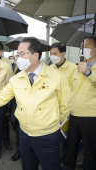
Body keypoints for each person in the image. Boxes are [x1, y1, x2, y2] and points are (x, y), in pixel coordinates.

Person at [0, 37, 71, 170]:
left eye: (22, 54)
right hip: (25, 133)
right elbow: (2, 97)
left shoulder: (56, 76)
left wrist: (52, 122)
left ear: (35, 55)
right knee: (28, 166)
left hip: (47, 135)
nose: (18, 58)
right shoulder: (17, 78)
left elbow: (65, 105)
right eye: (18, 54)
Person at [63, 36, 96, 170]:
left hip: (91, 115)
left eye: (87, 46)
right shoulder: (78, 67)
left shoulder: (87, 69)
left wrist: (89, 72)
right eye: (81, 47)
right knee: (71, 146)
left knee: (90, 149)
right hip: (74, 113)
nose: (83, 49)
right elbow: (72, 91)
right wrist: (68, 111)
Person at [49, 42, 77, 164]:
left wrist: (70, 110)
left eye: (55, 53)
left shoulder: (74, 68)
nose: (52, 56)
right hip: (52, 109)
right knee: (52, 137)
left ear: (63, 54)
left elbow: (76, 91)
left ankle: (65, 160)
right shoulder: (49, 68)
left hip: (67, 110)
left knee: (65, 137)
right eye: (50, 53)